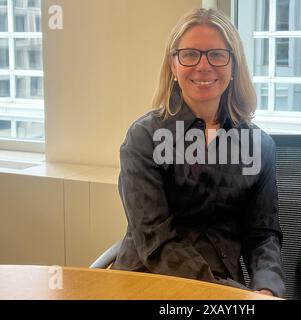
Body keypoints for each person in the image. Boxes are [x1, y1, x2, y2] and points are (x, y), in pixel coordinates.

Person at [111, 8, 286, 297]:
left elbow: (263, 234)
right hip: (149, 281)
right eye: (190, 54)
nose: (203, 66)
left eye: (217, 54)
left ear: (233, 65)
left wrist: (266, 288)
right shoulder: (144, 138)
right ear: (173, 66)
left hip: (224, 285)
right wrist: (223, 293)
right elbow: (156, 240)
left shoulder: (259, 146)